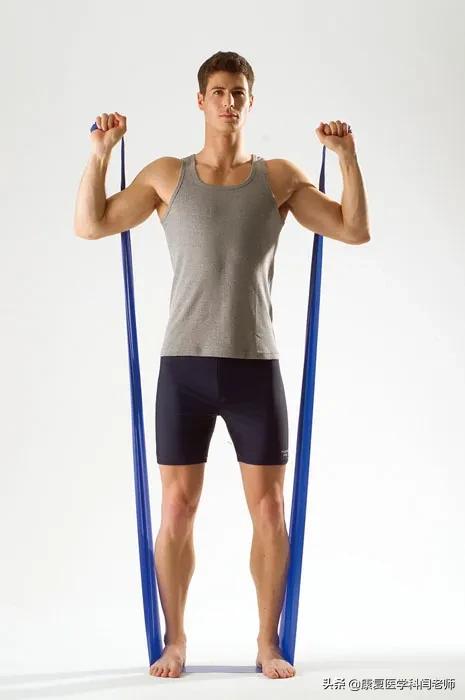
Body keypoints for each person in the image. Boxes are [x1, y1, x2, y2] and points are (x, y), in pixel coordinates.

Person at [74, 50, 370, 680]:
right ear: (201, 101)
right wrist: (99, 154)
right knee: (177, 509)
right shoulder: (167, 177)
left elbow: (352, 230)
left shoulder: (279, 178)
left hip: (253, 368)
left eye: (238, 92)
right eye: (218, 91)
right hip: (183, 368)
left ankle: (267, 642)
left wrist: (346, 159)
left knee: (270, 511)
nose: (228, 102)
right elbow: (90, 224)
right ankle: (175, 639)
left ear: (250, 101)